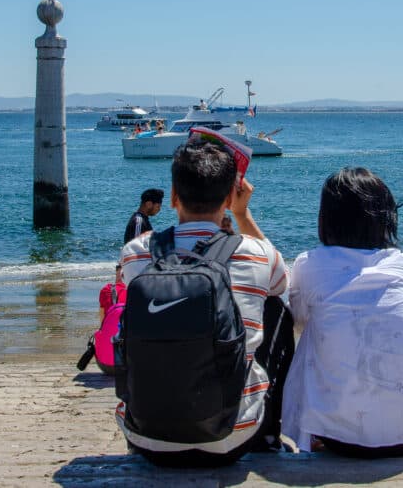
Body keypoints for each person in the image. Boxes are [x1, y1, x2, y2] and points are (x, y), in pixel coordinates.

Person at [114, 139, 291, 466]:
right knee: (276, 307)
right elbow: (283, 285)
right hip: (232, 437)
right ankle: (269, 438)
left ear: (174, 197)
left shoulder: (136, 253)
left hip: (145, 436)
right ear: (229, 197)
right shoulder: (258, 254)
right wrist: (241, 214)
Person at [281, 167, 403, 457]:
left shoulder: (310, 263)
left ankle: (309, 421)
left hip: (339, 437)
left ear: (326, 218)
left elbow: (299, 320)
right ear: (386, 218)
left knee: (311, 328)